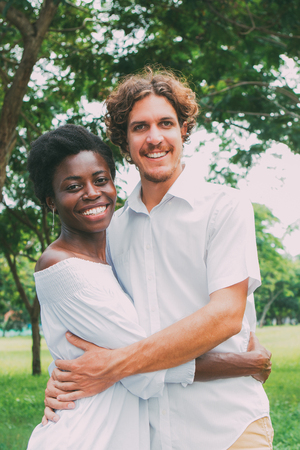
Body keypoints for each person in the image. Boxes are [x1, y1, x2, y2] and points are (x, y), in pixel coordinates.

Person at [43, 68, 273, 449]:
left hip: (229, 426)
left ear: (183, 129)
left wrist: (113, 366)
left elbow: (225, 316)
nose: (155, 138)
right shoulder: (111, 230)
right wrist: (63, 376)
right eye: (139, 127)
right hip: (148, 433)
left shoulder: (224, 207)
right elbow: (100, 327)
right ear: (124, 140)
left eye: (166, 123)